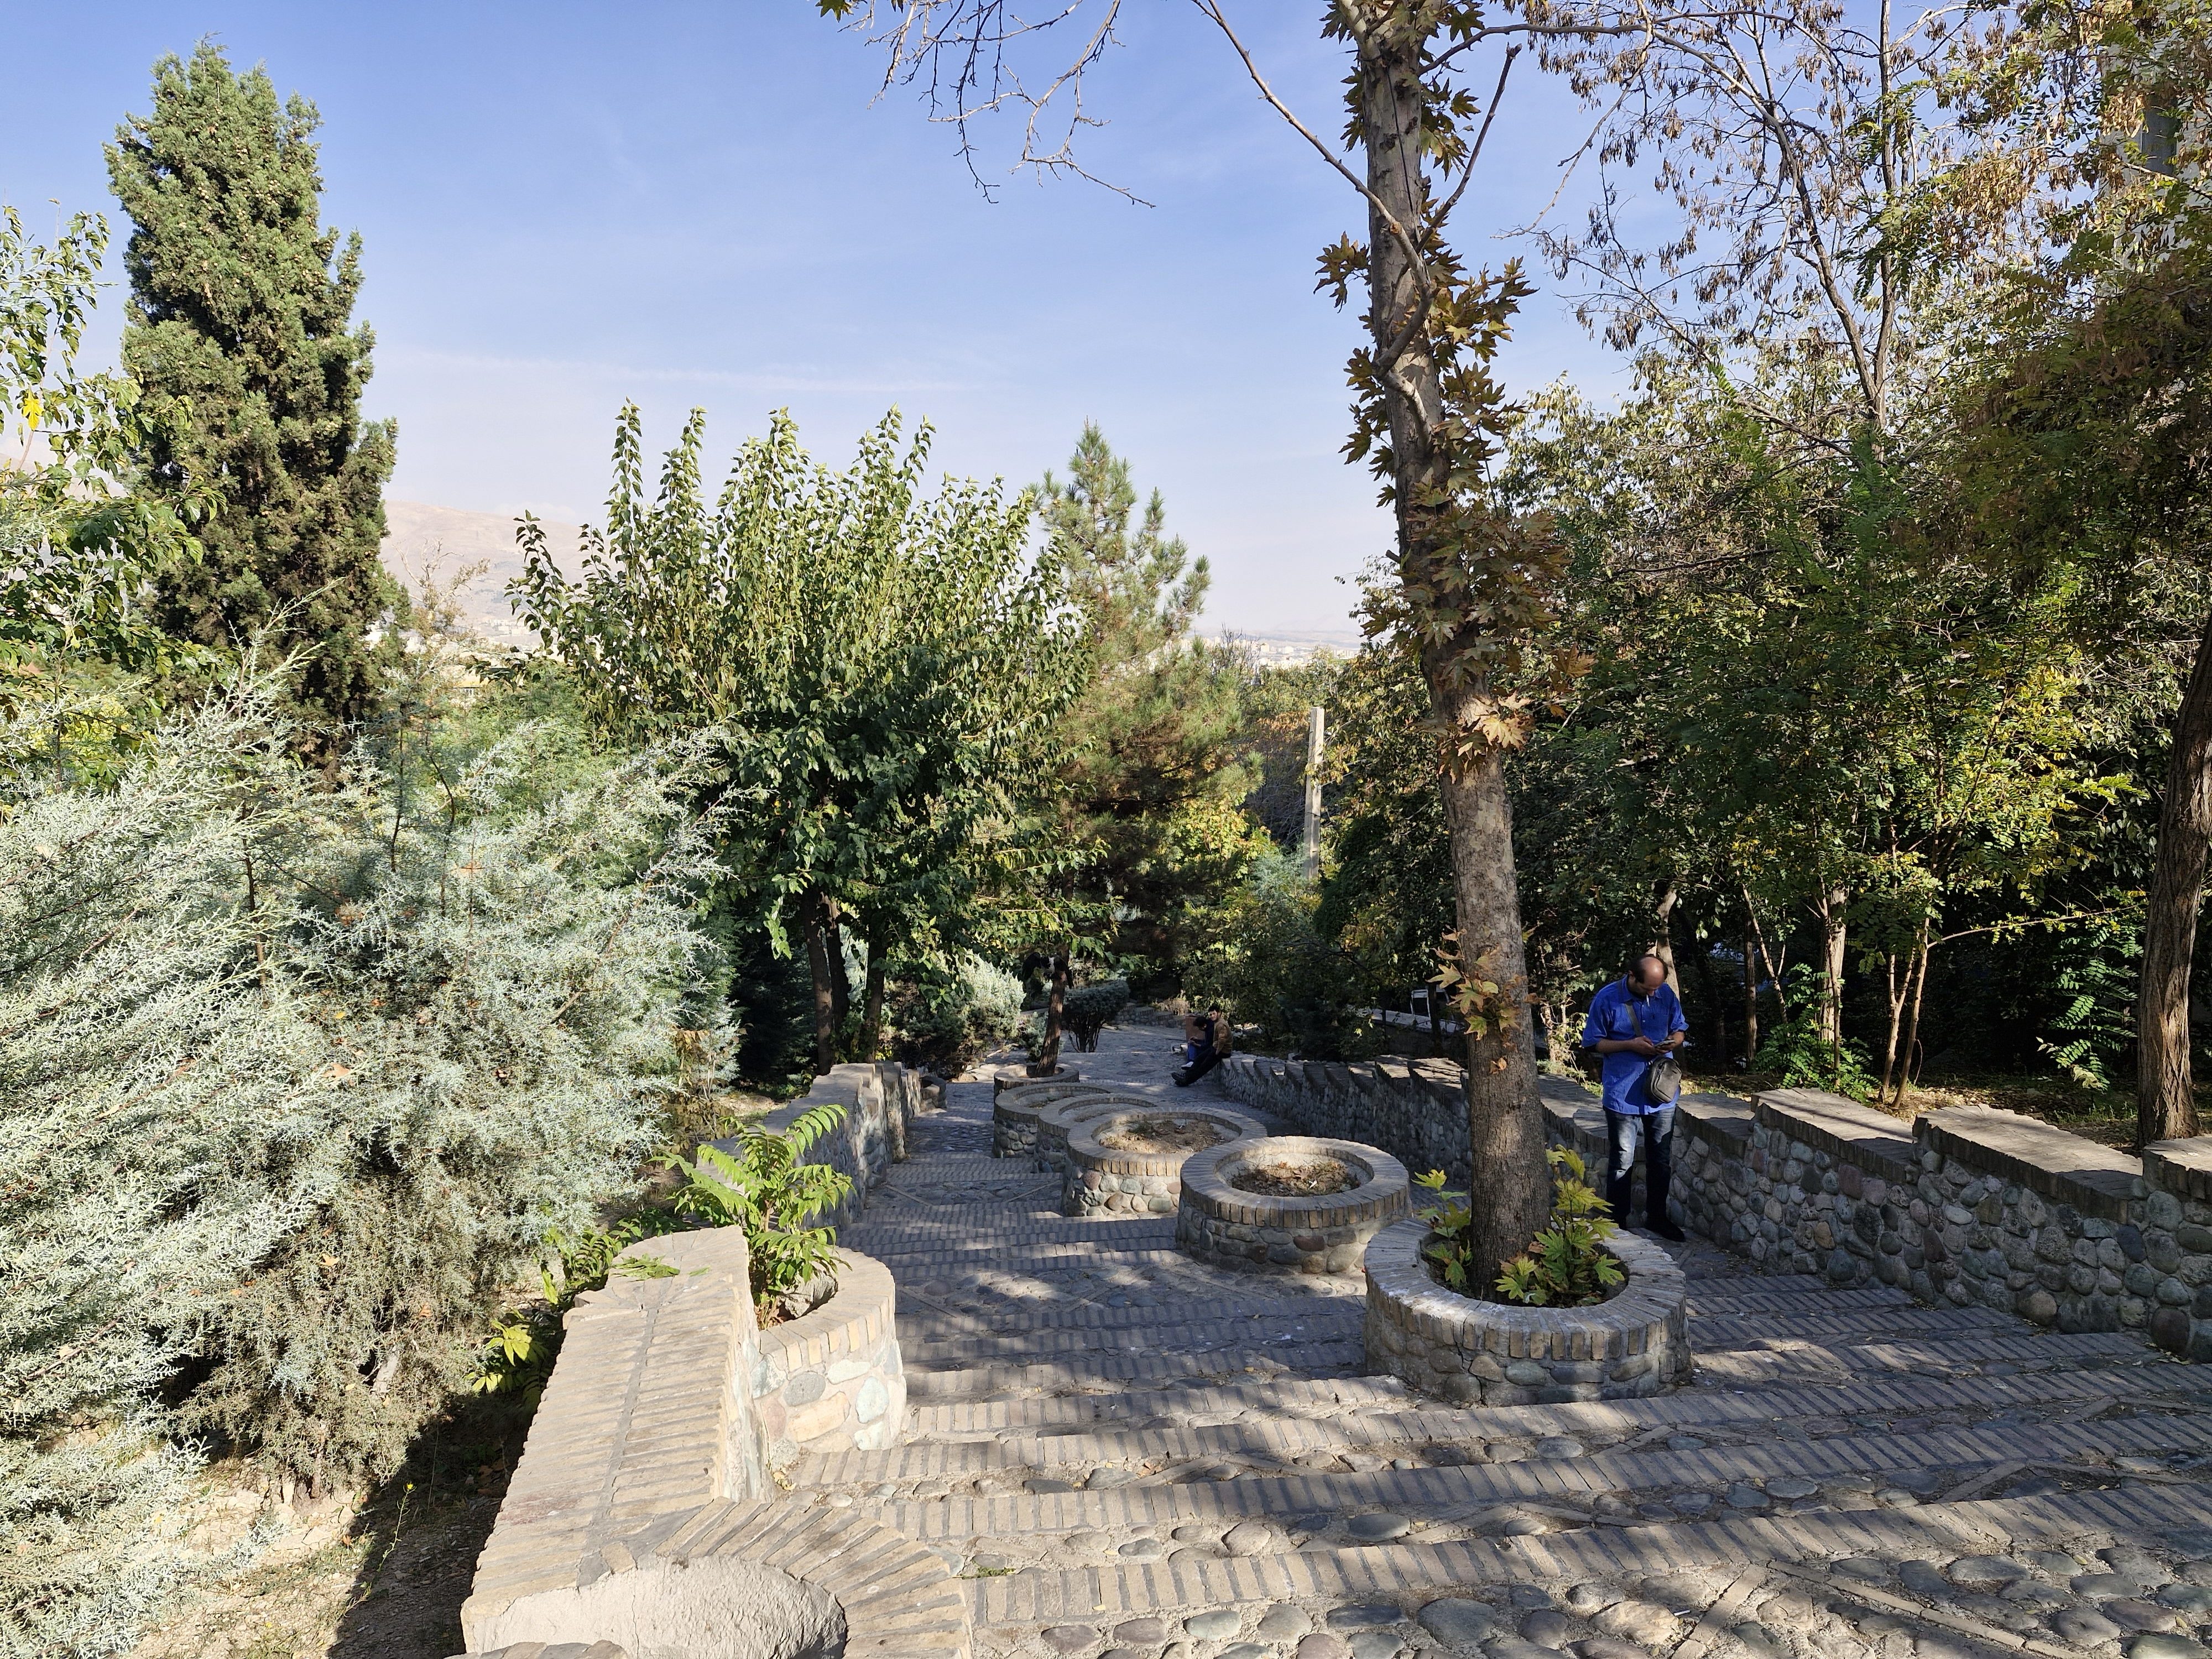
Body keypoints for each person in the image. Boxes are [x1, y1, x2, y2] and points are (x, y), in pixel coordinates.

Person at [1580, 953, 1688, 1240]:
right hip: (1623, 1093)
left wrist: (1671, 1043)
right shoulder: (1607, 999)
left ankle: (1657, 1218)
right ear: (1631, 976)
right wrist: (1631, 1044)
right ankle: (1618, 1224)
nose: (1653, 993)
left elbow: (1680, 1029)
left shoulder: (1665, 993)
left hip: (1662, 1092)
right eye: (1647, 988)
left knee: (1660, 1159)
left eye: (1657, 988)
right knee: (1622, 1160)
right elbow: (1593, 1043)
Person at [1175, 1004, 1233, 1087]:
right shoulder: (1216, 1022)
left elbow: (1222, 1040)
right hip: (1215, 1048)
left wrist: (1217, 1052)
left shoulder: (1221, 1025)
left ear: (1219, 1013)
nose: (1212, 1016)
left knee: (1204, 1067)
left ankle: (1186, 1081)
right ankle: (1186, 1076)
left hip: (1222, 1051)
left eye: (1214, 1014)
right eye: (1211, 1015)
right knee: (1199, 1059)